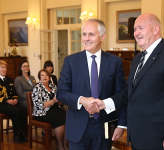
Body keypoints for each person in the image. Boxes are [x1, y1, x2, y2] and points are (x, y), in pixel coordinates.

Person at [93, 14, 164, 150]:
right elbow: (129, 93)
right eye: (134, 29)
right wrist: (105, 103)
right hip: (137, 135)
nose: (135, 33)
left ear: (155, 29)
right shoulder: (137, 59)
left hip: (157, 137)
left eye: (140, 28)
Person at [56, 19, 127, 150]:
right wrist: (82, 100)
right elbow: (61, 93)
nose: (86, 39)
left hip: (104, 128)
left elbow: (122, 95)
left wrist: (122, 124)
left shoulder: (115, 62)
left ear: (102, 37)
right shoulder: (70, 61)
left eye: (91, 34)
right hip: (77, 128)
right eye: (84, 34)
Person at [0, 60, 27, 142]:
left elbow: (14, 92)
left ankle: (24, 133)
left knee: (23, 109)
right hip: (0, 104)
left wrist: (15, 99)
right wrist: (7, 101)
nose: (4, 69)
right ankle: (17, 135)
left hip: (11, 103)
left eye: (5, 68)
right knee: (15, 111)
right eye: (2, 68)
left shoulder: (10, 79)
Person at [32, 69, 66, 150]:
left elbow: (59, 100)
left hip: (54, 109)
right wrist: (53, 100)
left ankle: (66, 143)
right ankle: (60, 145)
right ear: (39, 77)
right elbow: (40, 105)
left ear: (49, 77)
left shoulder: (53, 86)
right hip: (42, 112)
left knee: (66, 115)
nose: (45, 77)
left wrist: (60, 101)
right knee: (59, 117)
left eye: (46, 75)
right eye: (42, 75)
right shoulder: (37, 87)